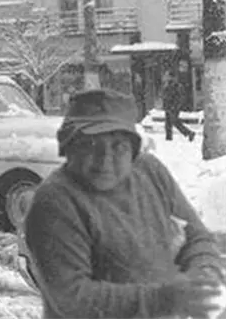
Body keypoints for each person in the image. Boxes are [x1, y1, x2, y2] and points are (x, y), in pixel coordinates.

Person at [24, 89, 225, 319]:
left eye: (118, 146)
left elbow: (195, 236)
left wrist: (203, 272)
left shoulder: (150, 171)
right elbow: (72, 298)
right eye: (91, 145)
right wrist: (164, 300)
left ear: (133, 149)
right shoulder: (55, 201)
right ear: (69, 146)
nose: (105, 160)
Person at [162, 71, 195, 142]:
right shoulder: (166, 85)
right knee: (168, 123)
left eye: (167, 76)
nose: (166, 77)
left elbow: (181, 97)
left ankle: (189, 133)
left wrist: (176, 105)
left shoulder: (176, 85)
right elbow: (165, 96)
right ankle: (168, 138)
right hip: (168, 106)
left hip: (173, 106)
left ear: (171, 77)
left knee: (175, 121)